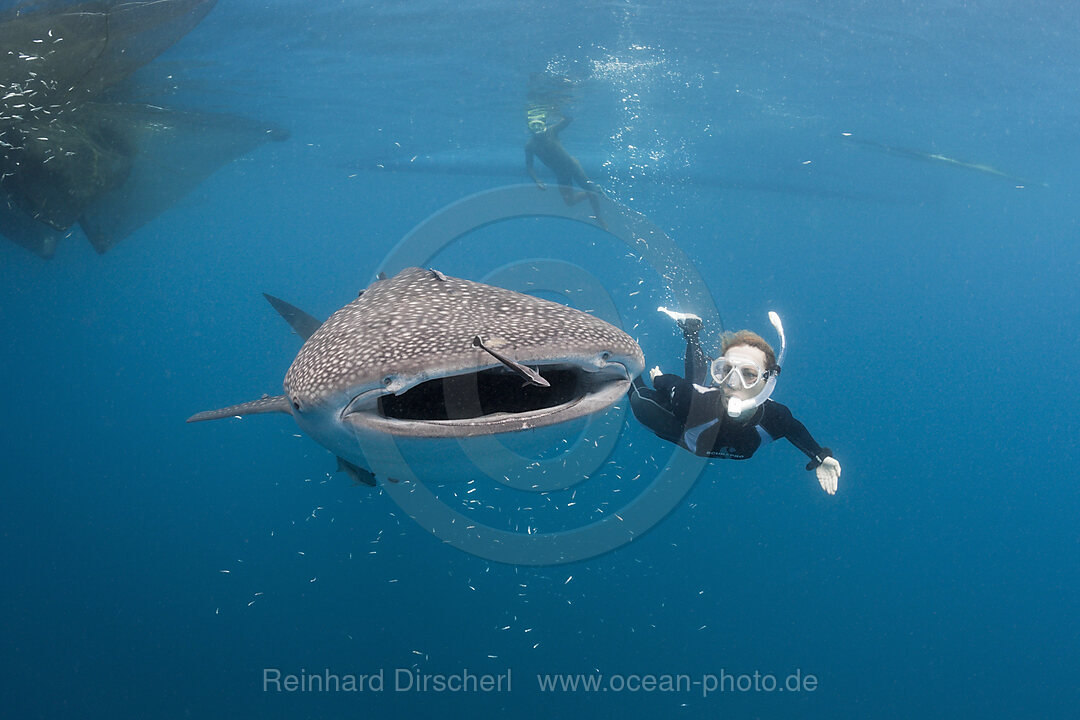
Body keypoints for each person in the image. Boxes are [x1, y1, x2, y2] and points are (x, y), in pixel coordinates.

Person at [629, 308, 841, 494]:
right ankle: (625, 361)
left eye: (748, 374)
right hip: (678, 425)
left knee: (695, 386)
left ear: (768, 381)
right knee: (641, 401)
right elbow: (675, 385)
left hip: (696, 412)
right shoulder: (690, 400)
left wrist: (820, 456)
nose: (732, 383)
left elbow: (795, 430)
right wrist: (658, 379)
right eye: (726, 370)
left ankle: (692, 329)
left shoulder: (776, 418)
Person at [524, 109, 607, 229]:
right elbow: (529, 166)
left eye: (539, 124)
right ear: (529, 127)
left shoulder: (551, 130)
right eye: (533, 125)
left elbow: (568, 119)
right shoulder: (530, 145)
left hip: (572, 166)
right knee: (570, 202)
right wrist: (537, 180)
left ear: (544, 124)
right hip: (560, 173)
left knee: (591, 192)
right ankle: (595, 190)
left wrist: (555, 109)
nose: (537, 128)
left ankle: (599, 217)